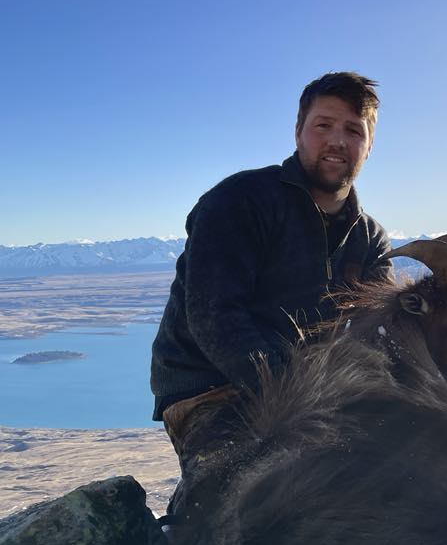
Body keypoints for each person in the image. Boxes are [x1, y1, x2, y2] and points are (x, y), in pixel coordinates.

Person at [150, 71, 392, 519]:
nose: (337, 140)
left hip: (311, 394)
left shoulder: (370, 238)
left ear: (369, 145)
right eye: (324, 125)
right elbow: (214, 319)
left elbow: (375, 337)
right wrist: (300, 393)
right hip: (211, 388)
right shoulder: (240, 201)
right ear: (299, 131)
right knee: (255, 504)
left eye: (353, 130)